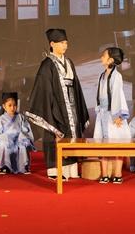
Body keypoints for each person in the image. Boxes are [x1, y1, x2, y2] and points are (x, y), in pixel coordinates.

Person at [26, 28, 89, 180]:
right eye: (61, 43)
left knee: (72, 133)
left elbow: (76, 86)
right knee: (55, 134)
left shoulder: (69, 62)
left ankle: (71, 169)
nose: (65, 46)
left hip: (72, 104)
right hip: (55, 105)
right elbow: (44, 90)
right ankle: (55, 170)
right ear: (52, 44)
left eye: (66, 43)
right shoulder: (47, 65)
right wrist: (53, 108)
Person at [93, 47, 131, 184]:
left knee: (117, 143)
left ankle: (118, 173)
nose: (101, 58)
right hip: (103, 113)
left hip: (113, 114)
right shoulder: (102, 75)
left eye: (104, 56)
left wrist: (117, 115)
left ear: (110, 60)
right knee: (102, 143)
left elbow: (117, 95)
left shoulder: (117, 76)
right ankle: (104, 174)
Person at [0, 92, 35, 174]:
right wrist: (5, 138)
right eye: (9, 105)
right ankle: (5, 167)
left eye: (14, 105)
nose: (12, 108)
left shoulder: (20, 117)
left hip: (19, 139)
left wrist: (22, 136)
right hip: (7, 140)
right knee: (2, 144)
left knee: (23, 143)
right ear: (4, 106)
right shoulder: (1, 119)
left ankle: (24, 167)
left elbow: (26, 129)